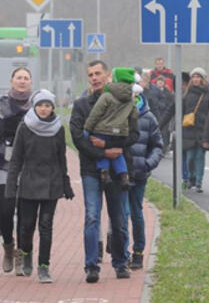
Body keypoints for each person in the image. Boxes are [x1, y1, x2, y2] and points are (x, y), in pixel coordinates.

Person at [70, 60, 138, 283]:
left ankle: (120, 262)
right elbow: (78, 137)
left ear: (108, 76)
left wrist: (115, 147)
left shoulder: (124, 100)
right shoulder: (81, 106)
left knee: (118, 218)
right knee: (91, 217)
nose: (94, 78)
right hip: (91, 169)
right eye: (90, 74)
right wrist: (101, 153)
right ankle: (92, 265)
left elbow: (134, 133)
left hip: (118, 168)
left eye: (98, 73)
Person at [5, 89, 74, 283]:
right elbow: (16, 159)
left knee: (46, 225)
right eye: (40, 105)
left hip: (51, 183)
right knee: (27, 225)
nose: (44, 109)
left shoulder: (58, 128)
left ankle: (44, 266)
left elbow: (62, 158)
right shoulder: (24, 127)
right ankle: (26, 252)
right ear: (34, 107)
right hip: (29, 182)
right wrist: (11, 186)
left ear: (52, 107)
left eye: (48, 105)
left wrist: (66, 184)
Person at [0, 67, 32, 274]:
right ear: (11, 81)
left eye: (26, 78)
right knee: (6, 211)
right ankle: (8, 247)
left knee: (25, 215)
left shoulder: (37, 105)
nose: (22, 81)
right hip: (4, 164)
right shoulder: (0, 106)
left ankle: (21, 253)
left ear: (31, 82)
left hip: (28, 166)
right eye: (19, 78)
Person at [83, 67, 139, 189]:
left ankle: (104, 173)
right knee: (118, 154)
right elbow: (134, 115)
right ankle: (124, 176)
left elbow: (96, 113)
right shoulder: (130, 99)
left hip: (103, 130)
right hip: (121, 133)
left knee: (104, 154)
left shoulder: (107, 96)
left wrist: (87, 128)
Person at [127, 91, 164, 269]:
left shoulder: (149, 118)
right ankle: (122, 252)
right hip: (120, 172)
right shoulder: (118, 113)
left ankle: (138, 252)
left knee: (135, 212)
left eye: (136, 96)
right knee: (120, 214)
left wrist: (147, 164)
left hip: (139, 173)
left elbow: (158, 145)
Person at [178, 67, 209, 192]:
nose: (196, 79)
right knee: (190, 158)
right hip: (188, 130)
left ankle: (199, 182)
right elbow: (180, 112)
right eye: (194, 77)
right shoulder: (186, 93)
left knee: (200, 157)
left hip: (203, 130)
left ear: (202, 79)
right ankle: (191, 177)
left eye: (198, 77)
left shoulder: (208, 94)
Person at [147, 75, 174, 150]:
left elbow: (170, 102)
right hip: (155, 113)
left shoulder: (168, 92)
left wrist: (163, 106)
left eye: (162, 82)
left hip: (165, 113)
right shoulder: (152, 90)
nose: (160, 83)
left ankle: (164, 147)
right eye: (159, 81)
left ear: (164, 83)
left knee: (165, 132)